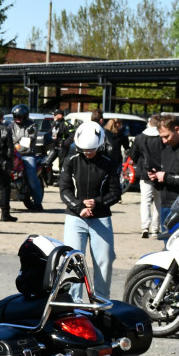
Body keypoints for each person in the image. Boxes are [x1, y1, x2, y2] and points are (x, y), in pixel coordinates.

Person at [59, 122, 121, 297]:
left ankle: (100, 301)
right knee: (73, 262)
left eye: (91, 149)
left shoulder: (109, 162)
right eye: (84, 150)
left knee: (104, 261)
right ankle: (74, 301)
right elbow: (64, 190)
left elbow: (115, 192)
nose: (88, 153)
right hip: (75, 217)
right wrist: (79, 207)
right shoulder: (70, 161)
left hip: (101, 217)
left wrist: (97, 203)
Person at [128, 114, 163, 238]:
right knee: (158, 202)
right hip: (161, 173)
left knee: (145, 201)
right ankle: (155, 228)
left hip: (145, 172)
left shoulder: (140, 137)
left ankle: (145, 226)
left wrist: (139, 163)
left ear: (149, 123)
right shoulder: (162, 138)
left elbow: (133, 154)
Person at [9, 104, 44, 210]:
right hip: (13, 154)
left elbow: (28, 140)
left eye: (20, 117)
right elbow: (6, 136)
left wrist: (15, 142)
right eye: (16, 116)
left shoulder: (32, 125)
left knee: (32, 179)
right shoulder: (10, 125)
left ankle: (38, 203)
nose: (18, 119)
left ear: (25, 116)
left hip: (27, 155)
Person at [43, 108, 73, 174]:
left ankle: (61, 179)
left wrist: (64, 143)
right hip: (54, 146)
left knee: (61, 166)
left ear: (60, 116)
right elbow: (49, 133)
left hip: (63, 148)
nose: (53, 116)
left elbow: (72, 136)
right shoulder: (54, 124)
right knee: (47, 163)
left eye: (55, 115)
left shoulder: (67, 124)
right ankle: (50, 179)